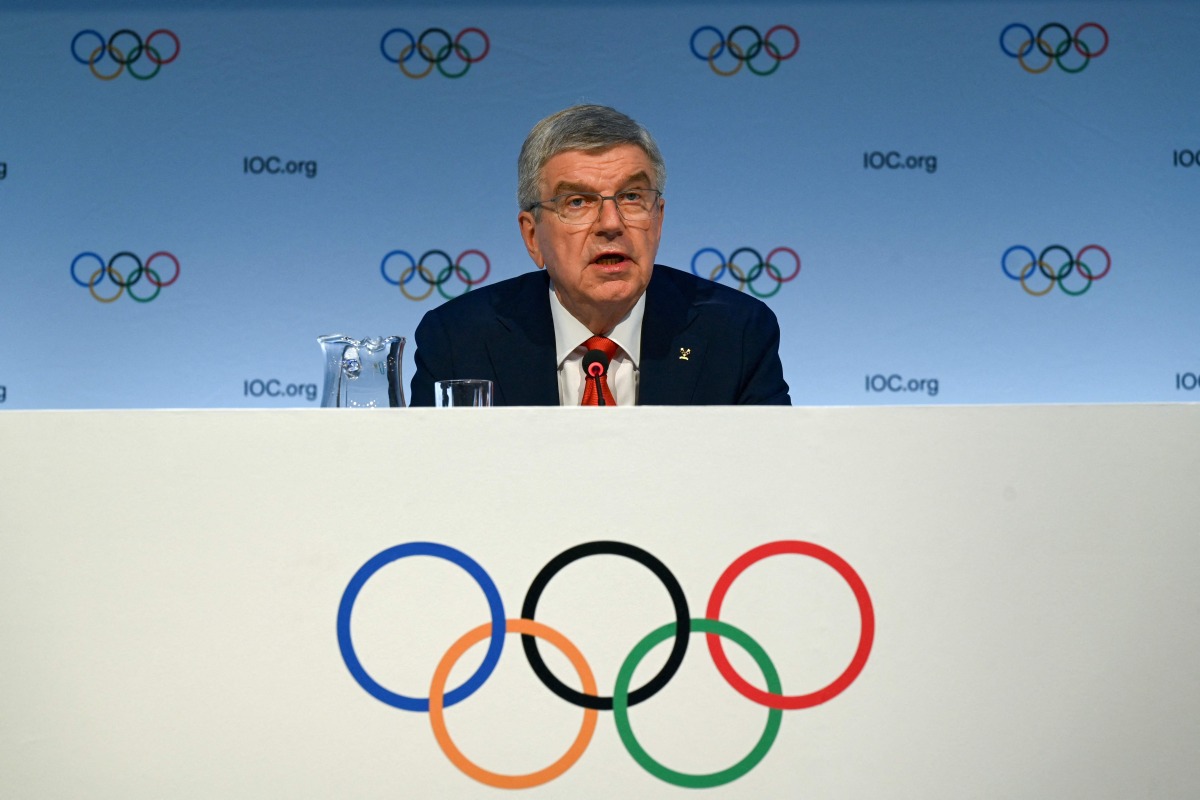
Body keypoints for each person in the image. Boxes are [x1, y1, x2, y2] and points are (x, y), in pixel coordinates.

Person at [409, 104, 790, 406]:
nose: (611, 223)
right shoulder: (458, 339)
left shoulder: (736, 332)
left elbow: (771, 481)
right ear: (532, 236)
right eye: (577, 202)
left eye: (632, 197)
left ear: (658, 219)